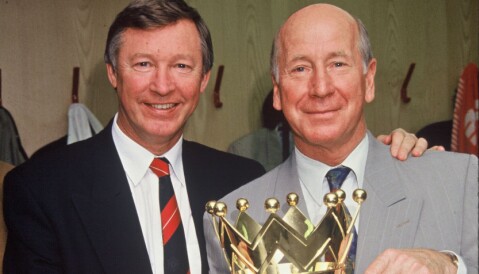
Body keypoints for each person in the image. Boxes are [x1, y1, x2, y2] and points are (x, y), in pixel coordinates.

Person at [3, 1, 431, 273]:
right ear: (113, 74)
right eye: (143, 65)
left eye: (182, 67)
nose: (163, 86)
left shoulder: (243, 179)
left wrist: (389, 153)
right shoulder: (42, 188)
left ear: (204, 79)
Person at [204, 4, 478, 274]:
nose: (321, 88)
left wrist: (451, 265)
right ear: (277, 91)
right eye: (300, 68)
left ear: (369, 80)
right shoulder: (231, 218)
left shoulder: (456, 180)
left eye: (337, 64)